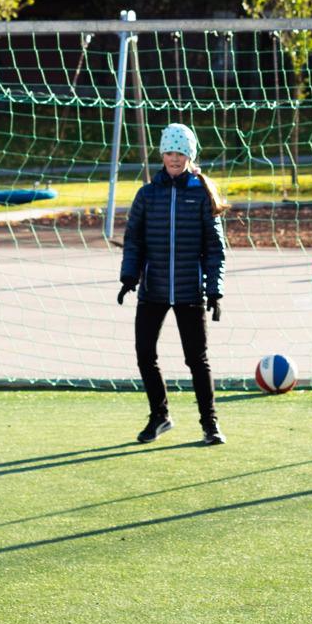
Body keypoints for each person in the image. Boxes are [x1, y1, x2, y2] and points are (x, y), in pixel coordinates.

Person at [118, 123, 229, 446]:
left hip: (188, 291)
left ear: (190, 155)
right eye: (169, 152)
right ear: (161, 154)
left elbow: (215, 249)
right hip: (152, 289)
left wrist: (214, 289)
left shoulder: (202, 193)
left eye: (180, 152)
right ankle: (160, 416)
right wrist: (129, 276)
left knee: (197, 359)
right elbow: (133, 241)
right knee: (144, 354)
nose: (174, 158)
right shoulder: (147, 194)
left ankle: (210, 424)